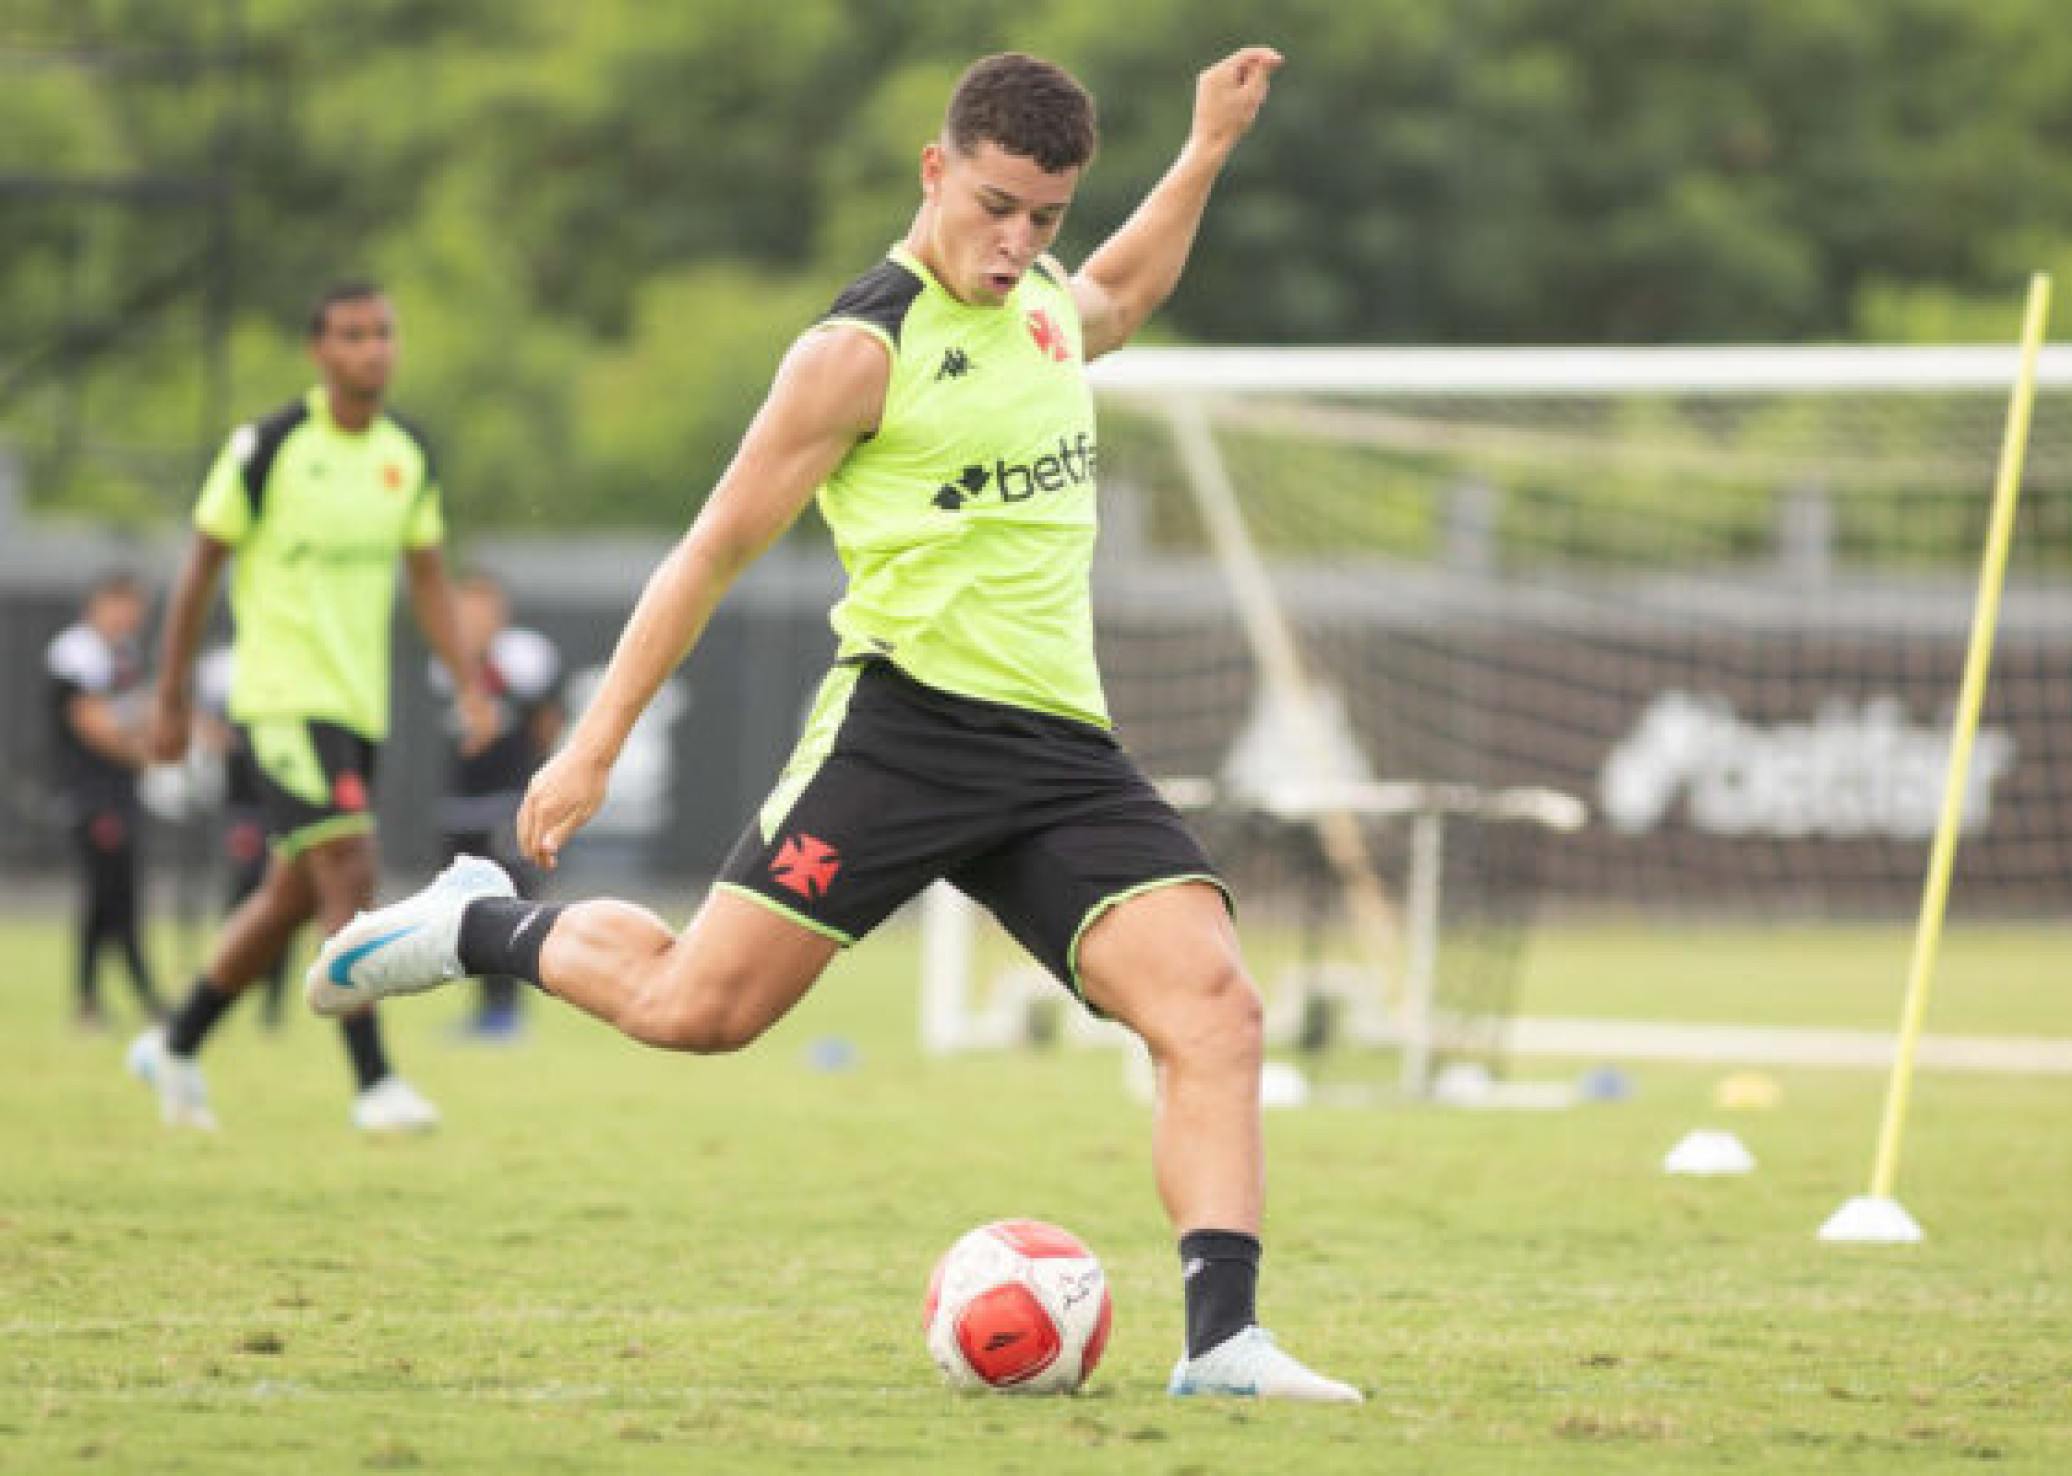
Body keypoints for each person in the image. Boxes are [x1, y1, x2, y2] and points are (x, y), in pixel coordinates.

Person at [313, 51, 1360, 1401]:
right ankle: (476, 923)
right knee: (699, 1011)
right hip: (904, 733)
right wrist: (591, 745)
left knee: (1216, 1010)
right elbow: (706, 553)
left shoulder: (1041, 300)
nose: (1019, 241)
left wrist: (1207, 145)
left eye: (1045, 216)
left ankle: (1222, 1343)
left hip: (1057, 752)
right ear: (936, 171)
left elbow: (1128, 289)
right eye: (996, 207)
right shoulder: (856, 351)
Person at [133, 279, 497, 1132]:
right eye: (352, 334)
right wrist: (172, 696)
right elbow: (198, 571)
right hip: (281, 699)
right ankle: (374, 1084)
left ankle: (175, 1044)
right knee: (352, 866)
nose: (372, 348)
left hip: (356, 706)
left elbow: (430, 580)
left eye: (383, 333)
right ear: (319, 351)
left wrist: (470, 683)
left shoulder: (406, 455)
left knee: (293, 894)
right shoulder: (268, 445)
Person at [426, 571, 564, 1041]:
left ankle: (508, 1013)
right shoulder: (447, 662)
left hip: (507, 804)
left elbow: (546, 719)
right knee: (466, 910)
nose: (472, 620)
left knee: (509, 901)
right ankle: (484, 1010)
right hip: (461, 806)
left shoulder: (522, 659)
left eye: (481, 610)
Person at [47, 571, 168, 1030]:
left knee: (121, 894)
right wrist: (144, 755)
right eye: (123, 605)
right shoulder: (75, 652)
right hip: (93, 796)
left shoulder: (125, 654)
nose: (131, 617)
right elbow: (92, 724)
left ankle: (110, 999)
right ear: (99, 604)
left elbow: (139, 713)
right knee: (106, 895)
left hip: (122, 792)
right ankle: (107, 998)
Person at [195, 646, 292, 1031]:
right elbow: (204, 724)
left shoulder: (292, 662)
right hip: (245, 808)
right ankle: (222, 992)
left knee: (286, 901)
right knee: (243, 895)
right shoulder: (221, 668)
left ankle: (273, 1004)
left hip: (284, 804)